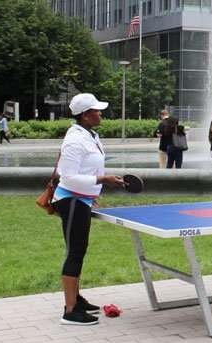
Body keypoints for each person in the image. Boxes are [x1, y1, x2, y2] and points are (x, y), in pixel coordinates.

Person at [53, 93, 124, 326]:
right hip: (72, 201)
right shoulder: (75, 140)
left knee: (79, 250)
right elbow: (69, 177)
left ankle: (77, 299)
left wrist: (92, 194)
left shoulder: (89, 135)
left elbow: (84, 171)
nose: (100, 113)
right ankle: (70, 311)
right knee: (75, 252)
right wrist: (102, 180)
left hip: (81, 200)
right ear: (85, 115)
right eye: (96, 110)